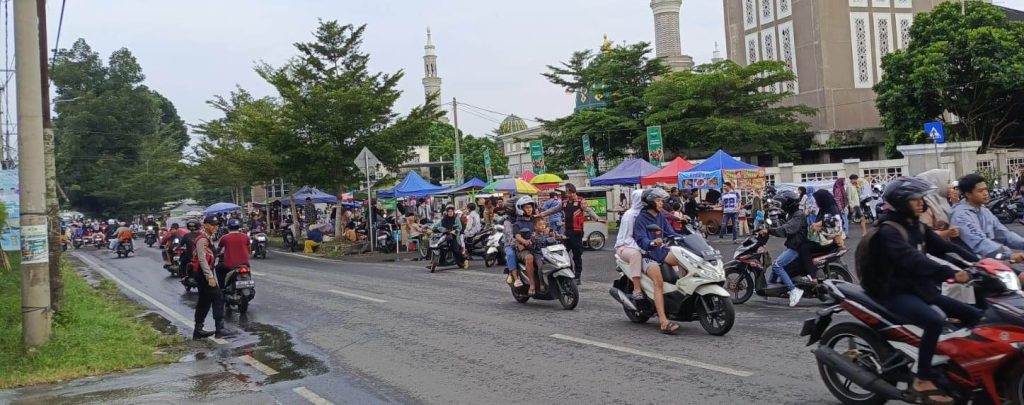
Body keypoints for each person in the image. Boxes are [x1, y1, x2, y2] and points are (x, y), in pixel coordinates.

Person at [862, 177, 983, 405]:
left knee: (976, 315)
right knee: (934, 321)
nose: (920, 203)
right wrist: (950, 273)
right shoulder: (889, 231)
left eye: (920, 199)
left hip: (919, 288)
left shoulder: (915, 225)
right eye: (915, 200)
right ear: (901, 202)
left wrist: (979, 263)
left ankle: (960, 366)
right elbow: (913, 260)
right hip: (894, 293)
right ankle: (922, 378)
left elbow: (945, 247)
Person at [632, 188, 685, 334]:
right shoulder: (641, 219)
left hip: (661, 252)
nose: (661, 203)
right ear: (649, 202)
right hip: (647, 256)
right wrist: (652, 242)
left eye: (662, 200)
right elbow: (641, 240)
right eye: (658, 200)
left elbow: (670, 232)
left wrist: (686, 236)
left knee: (684, 261)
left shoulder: (660, 216)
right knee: (658, 282)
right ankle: (663, 321)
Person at [951, 174, 1024, 268]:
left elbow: (1004, 234)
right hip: (972, 266)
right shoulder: (960, 216)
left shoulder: (984, 210)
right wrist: (1009, 254)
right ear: (968, 194)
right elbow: (980, 243)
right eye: (980, 191)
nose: (986, 193)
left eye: (986, 189)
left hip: (991, 261)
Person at [539, 183, 602, 284]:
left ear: (572, 192)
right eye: (567, 192)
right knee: (564, 253)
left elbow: (588, 210)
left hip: (577, 233)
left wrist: (596, 217)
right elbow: (553, 210)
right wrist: (541, 214)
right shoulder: (564, 203)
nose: (567, 194)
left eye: (568, 192)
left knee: (577, 255)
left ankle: (578, 276)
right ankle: (569, 274)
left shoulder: (581, 201)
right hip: (567, 232)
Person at [757, 190, 808, 306]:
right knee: (777, 263)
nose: (781, 206)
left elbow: (787, 229)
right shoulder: (792, 214)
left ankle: (793, 290)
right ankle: (767, 290)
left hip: (797, 247)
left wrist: (769, 231)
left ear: (788, 204)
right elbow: (782, 226)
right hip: (793, 244)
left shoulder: (798, 215)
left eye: (782, 204)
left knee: (777, 265)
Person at [191, 216, 235, 339]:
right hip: (203, 273)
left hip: (203, 273)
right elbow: (202, 259)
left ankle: (198, 329)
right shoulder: (202, 240)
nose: (215, 227)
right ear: (205, 225)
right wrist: (209, 277)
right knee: (218, 298)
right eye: (212, 225)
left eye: (216, 225)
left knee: (204, 301)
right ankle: (219, 329)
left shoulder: (208, 238)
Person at [614, 190, 646, 300]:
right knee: (635, 255)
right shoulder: (630, 215)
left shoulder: (647, 213)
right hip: (625, 246)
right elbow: (627, 238)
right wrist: (642, 248)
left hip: (644, 245)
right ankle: (637, 289)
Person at [916, 169, 960, 240]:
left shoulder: (943, 201)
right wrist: (946, 233)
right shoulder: (926, 204)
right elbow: (925, 234)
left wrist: (955, 203)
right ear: (937, 183)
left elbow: (957, 220)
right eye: (947, 182)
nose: (951, 186)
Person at [514, 197, 543, 296]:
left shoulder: (535, 220)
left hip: (537, 248)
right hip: (524, 249)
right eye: (526, 207)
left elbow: (544, 228)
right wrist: (524, 241)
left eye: (530, 207)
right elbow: (517, 235)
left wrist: (553, 234)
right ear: (521, 209)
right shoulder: (518, 223)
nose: (529, 209)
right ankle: (532, 284)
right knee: (529, 258)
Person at [216, 219, 251, 288]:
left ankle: (222, 288)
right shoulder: (246, 237)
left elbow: (219, 249)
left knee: (218, 268)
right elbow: (249, 249)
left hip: (230, 265)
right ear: (239, 227)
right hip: (245, 264)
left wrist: (216, 254)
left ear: (228, 227)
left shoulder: (225, 238)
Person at [433, 205, 469, 269]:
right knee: (440, 246)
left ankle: (464, 260)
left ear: (453, 212)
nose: (450, 212)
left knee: (455, 249)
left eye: (451, 211)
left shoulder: (456, 218)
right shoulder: (443, 219)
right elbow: (436, 225)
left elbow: (459, 227)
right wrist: (432, 229)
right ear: (446, 212)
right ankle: (441, 261)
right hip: (445, 236)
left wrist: (455, 230)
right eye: (449, 211)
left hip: (454, 236)